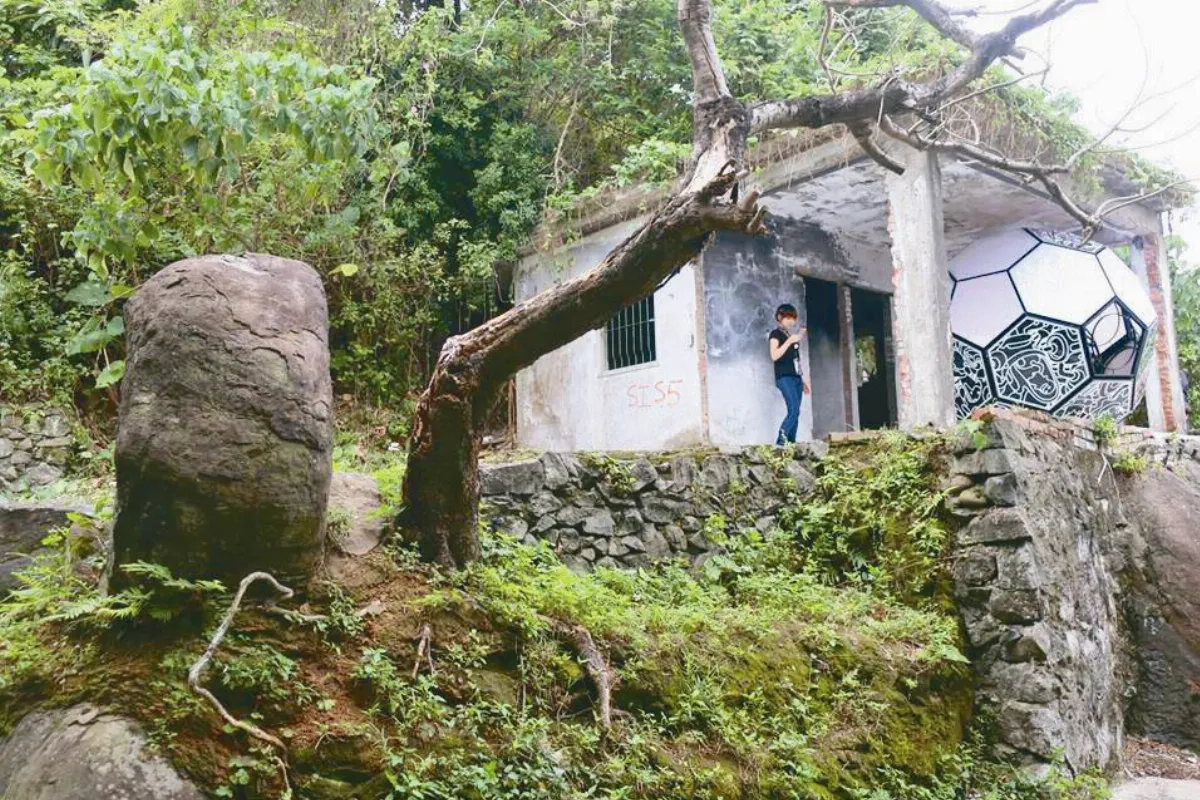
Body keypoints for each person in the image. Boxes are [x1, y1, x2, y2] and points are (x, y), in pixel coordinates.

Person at [768, 303, 810, 445]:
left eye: (793, 318)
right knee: (793, 410)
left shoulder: (790, 336)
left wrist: (802, 380)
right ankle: (781, 442)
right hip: (784, 378)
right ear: (779, 317)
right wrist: (789, 342)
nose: (791, 321)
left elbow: (795, 360)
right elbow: (774, 355)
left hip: (796, 378)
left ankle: (791, 444)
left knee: (796, 412)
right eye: (788, 318)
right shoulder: (775, 334)